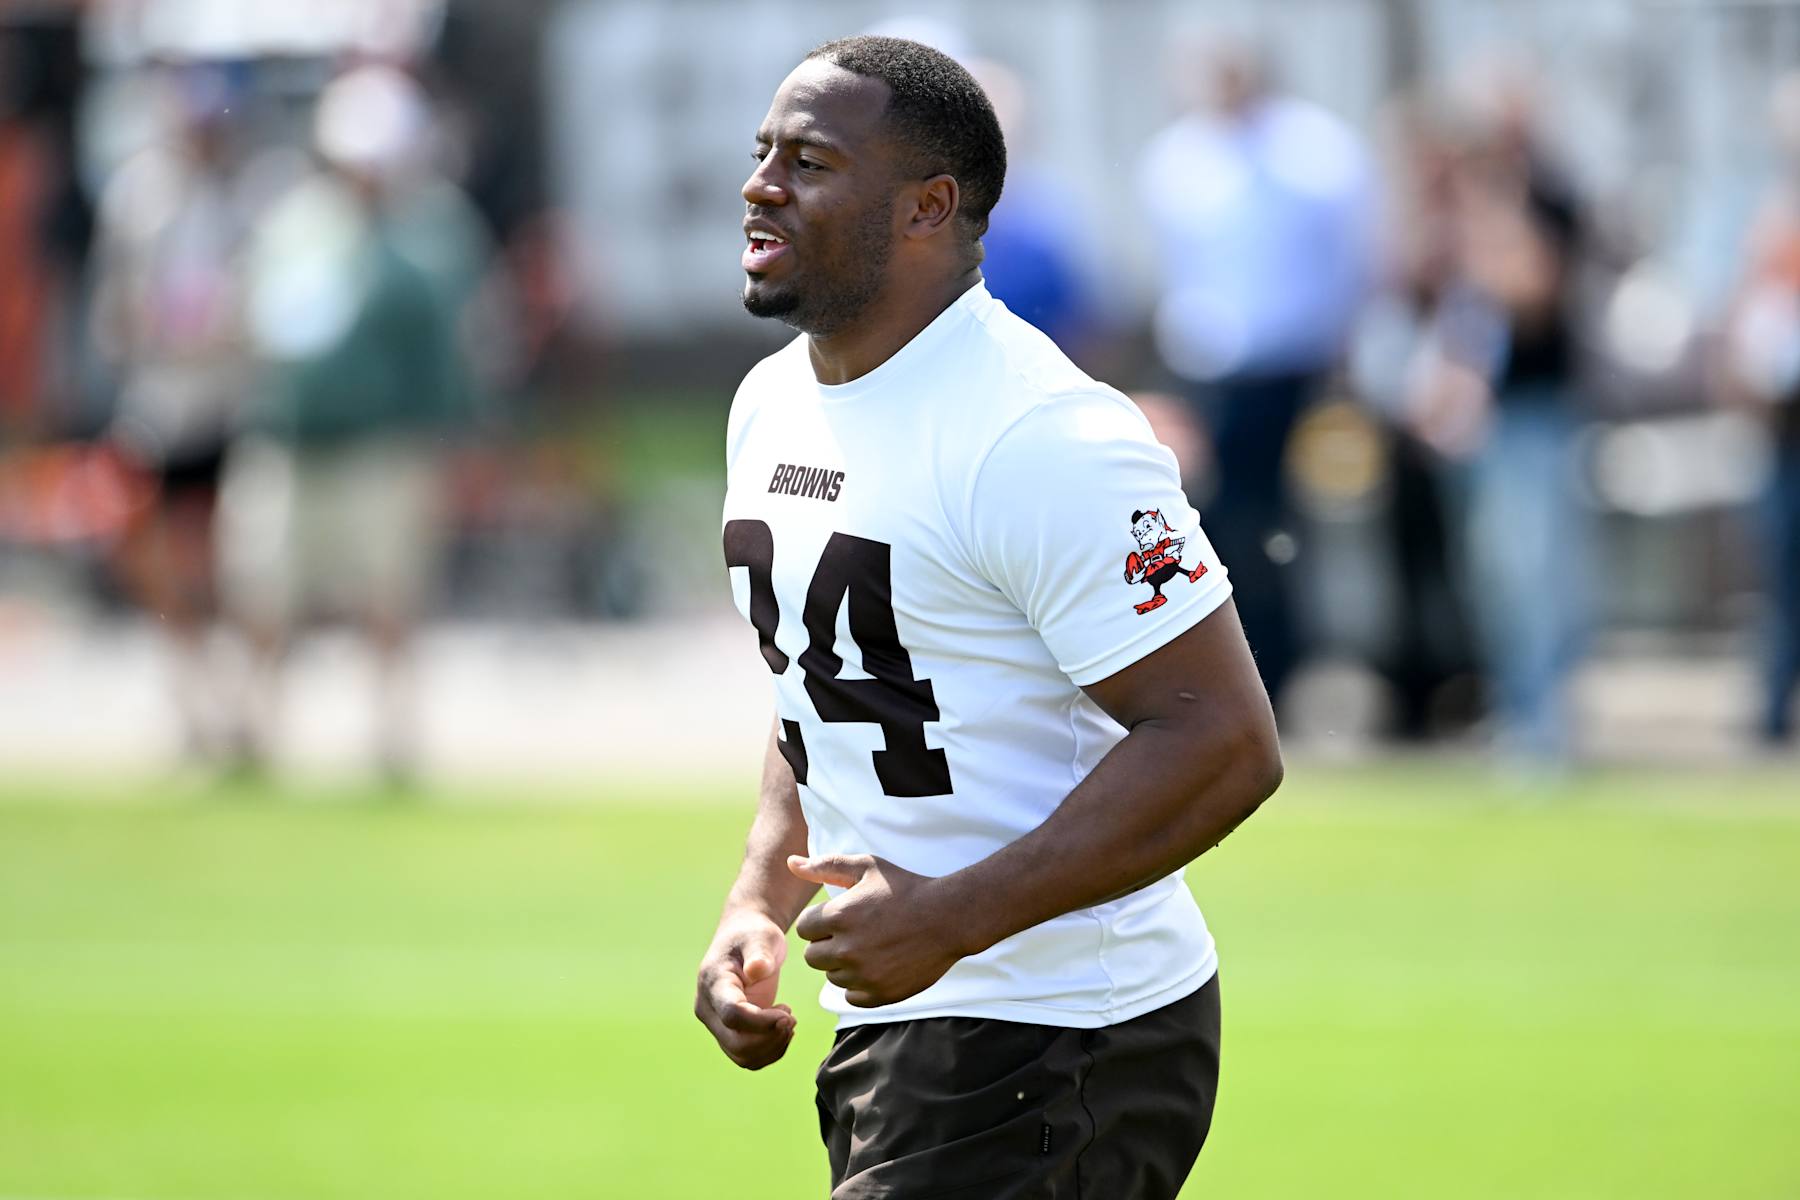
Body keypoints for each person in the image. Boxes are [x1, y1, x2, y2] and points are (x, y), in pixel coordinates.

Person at [694, 36, 1283, 1199]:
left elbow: (1224, 742)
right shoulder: (772, 402)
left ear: (929, 207)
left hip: (1061, 1034)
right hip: (910, 1027)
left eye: (809, 159)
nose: (761, 182)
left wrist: (956, 917)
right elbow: (818, 680)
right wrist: (759, 895)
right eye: (763, 151)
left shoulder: (1039, 435)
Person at [1136, 39, 1374, 710]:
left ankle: (1281, 665)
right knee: (1205, 524)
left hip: (1291, 372)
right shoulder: (1179, 158)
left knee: (1276, 525)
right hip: (1207, 372)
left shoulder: (1316, 152)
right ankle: (1229, 664)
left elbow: (1348, 264)